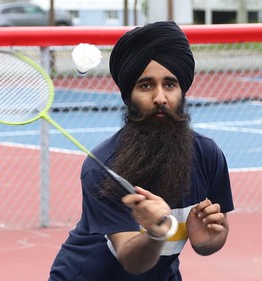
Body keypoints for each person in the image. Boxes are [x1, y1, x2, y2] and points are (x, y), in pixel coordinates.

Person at [48, 21, 234, 281]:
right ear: (129, 96)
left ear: (182, 92)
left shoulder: (207, 155)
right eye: (146, 86)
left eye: (170, 85)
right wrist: (158, 232)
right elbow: (132, 260)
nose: (160, 97)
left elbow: (212, 240)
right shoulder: (103, 167)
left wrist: (208, 239)